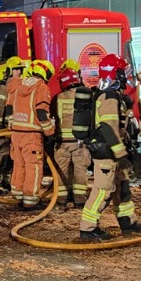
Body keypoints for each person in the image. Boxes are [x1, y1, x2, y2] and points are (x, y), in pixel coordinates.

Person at [80, 54, 141, 240]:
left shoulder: (112, 95)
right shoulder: (108, 96)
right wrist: (120, 153)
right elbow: (108, 128)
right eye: (123, 71)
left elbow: (120, 127)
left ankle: (128, 222)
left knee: (122, 187)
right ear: (116, 73)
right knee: (103, 190)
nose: (125, 76)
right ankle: (88, 228)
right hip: (107, 153)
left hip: (115, 151)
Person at [8, 59, 55, 209]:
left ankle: (17, 194)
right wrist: (49, 131)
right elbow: (41, 112)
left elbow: (9, 109)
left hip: (16, 134)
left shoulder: (18, 85)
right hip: (31, 134)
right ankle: (30, 200)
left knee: (19, 164)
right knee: (33, 167)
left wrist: (12, 125)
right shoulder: (41, 88)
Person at [51, 60, 94, 207]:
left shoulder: (57, 98)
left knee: (61, 171)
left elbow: (52, 118)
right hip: (80, 142)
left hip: (62, 142)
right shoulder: (86, 96)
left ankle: (61, 199)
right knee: (80, 170)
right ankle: (80, 200)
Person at [0, 56, 26, 195]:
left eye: (20, 70)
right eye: (16, 70)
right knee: (0, 154)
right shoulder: (3, 87)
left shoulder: (18, 86)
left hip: (13, 127)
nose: (19, 73)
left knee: (11, 155)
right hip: (2, 127)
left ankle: (6, 180)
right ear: (9, 70)